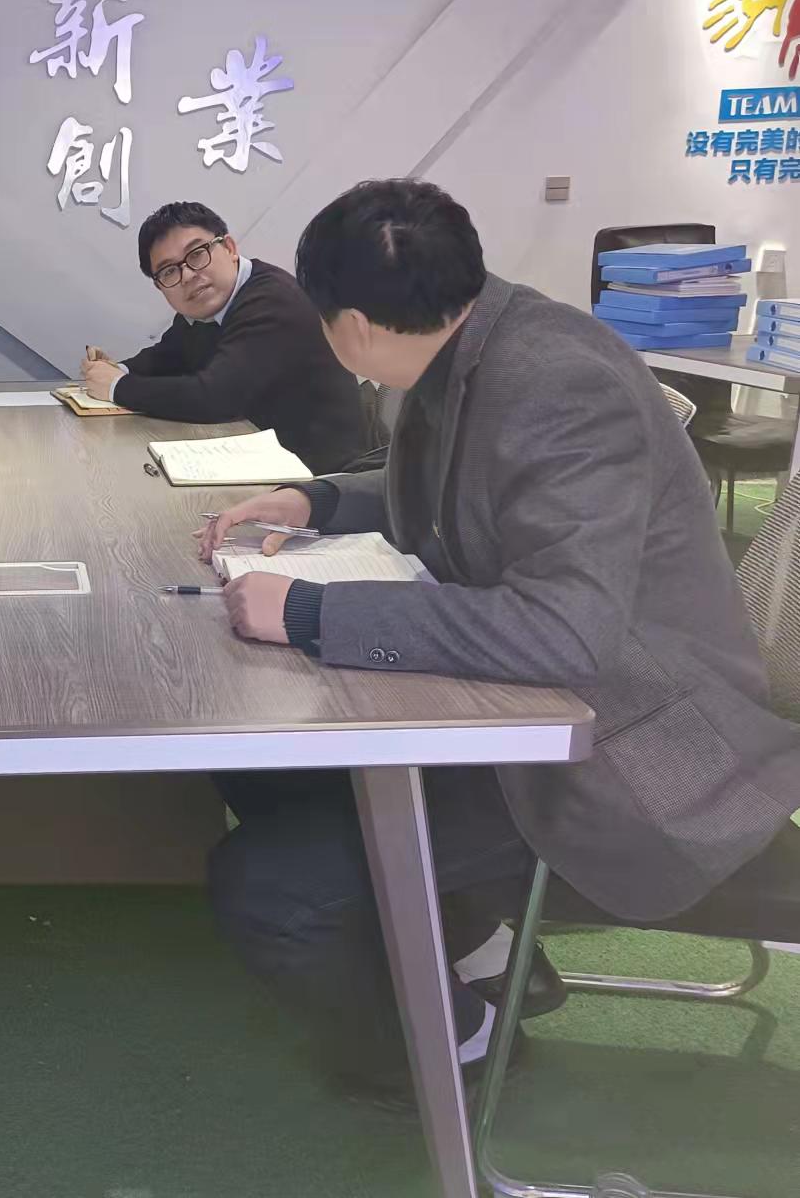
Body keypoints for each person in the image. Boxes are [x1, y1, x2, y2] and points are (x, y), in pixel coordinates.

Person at [194, 178, 800, 1105]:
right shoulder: (473, 337)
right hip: (546, 711)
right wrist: (314, 500)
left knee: (271, 886)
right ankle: (481, 948)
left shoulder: (557, 384)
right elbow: (458, 485)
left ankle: (464, 1044)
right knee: (263, 769)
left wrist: (311, 612)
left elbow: (563, 630)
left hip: (630, 756)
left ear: (351, 325)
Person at [81, 200, 367, 473]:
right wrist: (117, 369)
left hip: (319, 476)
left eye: (196, 254)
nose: (188, 275)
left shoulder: (272, 301)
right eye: (169, 271)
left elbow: (214, 397)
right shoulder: (210, 306)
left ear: (229, 247)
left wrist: (117, 387)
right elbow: (169, 354)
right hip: (258, 455)